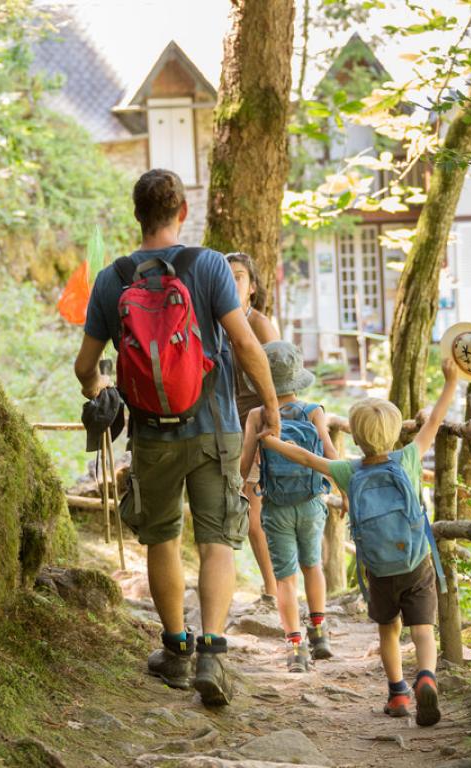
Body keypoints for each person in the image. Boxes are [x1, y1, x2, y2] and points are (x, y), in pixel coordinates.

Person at [74, 169, 280, 707]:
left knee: (161, 538)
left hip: (151, 434)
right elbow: (243, 343)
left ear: (137, 214)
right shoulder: (209, 265)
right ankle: (213, 651)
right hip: (215, 427)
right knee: (216, 540)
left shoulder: (112, 279)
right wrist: (272, 405)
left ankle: (176, 652)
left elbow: (85, 367)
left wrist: (103, 390)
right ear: (182, 213)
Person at [259, 355, 460, 726]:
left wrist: (271, 442)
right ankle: (427, 677)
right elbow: (433, 421)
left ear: (359, 436)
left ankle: (398, 693)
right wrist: (450, 381)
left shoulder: (348, 470)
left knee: (389, 630)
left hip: (379, 569)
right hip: (415, 562)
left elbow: (305, 457)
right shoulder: (408, 459)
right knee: (422, 630)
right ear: (395, 431)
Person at [240, 341, 338, 673]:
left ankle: (295, 649)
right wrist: (348, 489)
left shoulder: (257, 415)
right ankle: (320, 633)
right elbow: (330, 456)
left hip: (276, 505)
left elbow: (244, 466)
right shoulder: (314, 411)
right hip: (311, 504)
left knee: (285, 578)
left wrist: (246, 484)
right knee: (313, 566)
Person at [226, 252, 280, 607]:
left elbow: (280, 383)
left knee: (253, 513)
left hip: (258, 427)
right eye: (226, 277)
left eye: (240, 276)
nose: (232, 282)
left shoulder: (260, 326)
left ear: (253, 287)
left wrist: (269, 433)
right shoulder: (217, 324)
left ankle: (273, 589)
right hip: (226, 427)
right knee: (233, 510)